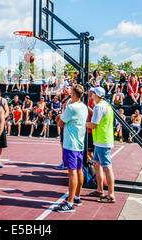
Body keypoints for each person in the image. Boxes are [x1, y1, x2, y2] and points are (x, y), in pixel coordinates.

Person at [54, 84, 88, 212]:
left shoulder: (71, 107)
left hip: (71, 144)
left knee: (72, 173)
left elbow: (60, 123)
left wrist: (59, 116)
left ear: (73, 94)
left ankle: (70, 203)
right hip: (80, 143)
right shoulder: (83, 107)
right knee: (79, 170)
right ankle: (77, 197)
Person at [86, 87, 116, 204]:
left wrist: (80, 123)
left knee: (107, 167)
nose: (91, 94)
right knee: (97, 164)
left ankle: (111, 194)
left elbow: (93, 125)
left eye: (93, 92)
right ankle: (100, 190)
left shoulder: (99, 106)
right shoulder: (106, 105)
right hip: (102, 139)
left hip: (102, 140)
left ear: (96, 95)